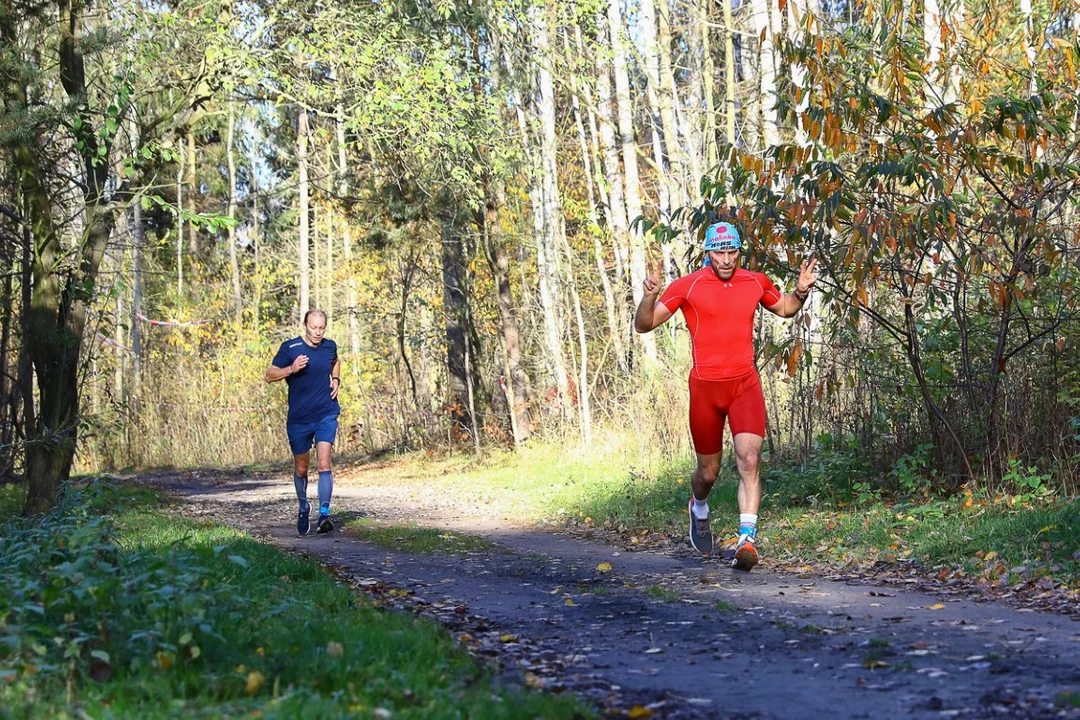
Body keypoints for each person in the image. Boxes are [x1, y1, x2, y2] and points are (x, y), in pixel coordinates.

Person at [633, 221, 818, 570]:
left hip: (744, 385)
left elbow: (784, 308)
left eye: (732, 251)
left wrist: (801, 292)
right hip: (705, 389)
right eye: (720, 252)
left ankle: (747, 539)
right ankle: (698, 507)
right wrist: (649, 297)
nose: (727, 259)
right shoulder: (687, 287)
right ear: (707, 253)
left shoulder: (754, 281)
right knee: (708, 473)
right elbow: (644, 325)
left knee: (749, 459)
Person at [265, 309, 342, 536]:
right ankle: (303, 506)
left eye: (321, 328)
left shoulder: (329, 346)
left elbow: (335, 362)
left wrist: (336, 379)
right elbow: (269, 375)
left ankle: (324, 514)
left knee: (324, 464)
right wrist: (292, 369)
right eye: (313, 327)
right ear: (305, 325)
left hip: (326, 413)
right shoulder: (291, 348)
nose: (317, 332)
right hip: (299, 419)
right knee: (301, 468)